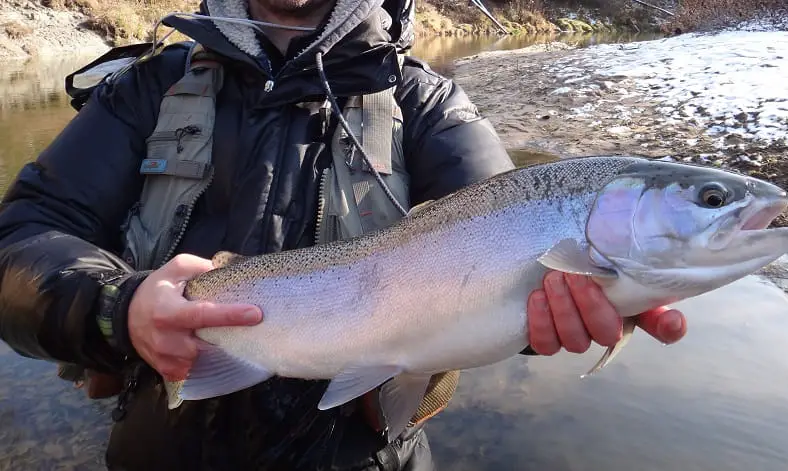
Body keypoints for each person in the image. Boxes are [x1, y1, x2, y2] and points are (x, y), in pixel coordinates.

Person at [0, 0, 687, 469]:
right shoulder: (145, 90)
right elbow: (21, 238)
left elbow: (516, 248)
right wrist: (118, 308)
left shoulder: (428, 105)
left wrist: (586, 300)